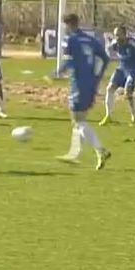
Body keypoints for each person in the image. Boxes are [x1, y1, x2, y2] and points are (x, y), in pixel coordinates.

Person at [55, 14, 111, 170]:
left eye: (65, 25)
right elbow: (105, 59)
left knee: (78, 120)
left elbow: (68, 61)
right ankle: (74, 153)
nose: (64, 29)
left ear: (69, 25)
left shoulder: (71, 40)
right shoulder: (91, 40)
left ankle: (101, 150)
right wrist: (97, 76)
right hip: (91, 83)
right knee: (80, 120)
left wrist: (55, 73)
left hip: (78, 84)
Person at [101, 25, 135, 126]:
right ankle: (108, 116)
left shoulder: (132, 43)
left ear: (125, 35)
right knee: (109, 88)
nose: (117, 37)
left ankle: (134, 118)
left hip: (133, 71)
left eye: (119, 34)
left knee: (128, 93)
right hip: (121, 69)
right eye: (115, 35)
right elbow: (109, 51)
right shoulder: (115, 44)